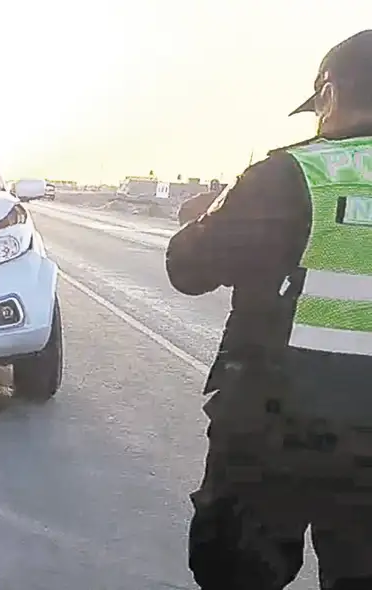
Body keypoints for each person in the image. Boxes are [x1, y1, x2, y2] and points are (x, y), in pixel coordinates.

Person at [165, 30, 372, 590]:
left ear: (329, 93)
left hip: (273, 427)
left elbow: (188, 271)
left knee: (239, 573)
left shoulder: (289, 175)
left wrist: (208, 213)